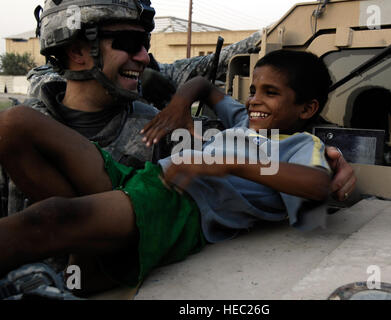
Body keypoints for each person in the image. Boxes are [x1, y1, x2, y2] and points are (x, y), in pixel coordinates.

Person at [0, 50, 332, 293]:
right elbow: (202, 83)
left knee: (51, 217)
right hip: (148, 177)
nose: (253, 102)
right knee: (15, 123)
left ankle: (84, 254)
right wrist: (178, 106)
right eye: (254, 91)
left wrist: (229, 163)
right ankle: (88, 255)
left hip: (181, 206)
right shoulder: (245, 121)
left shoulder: (300, 144)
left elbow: (318, 185)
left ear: (307, 108)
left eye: (270, 93)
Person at [0, 1, 354, 220]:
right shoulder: (20, 130)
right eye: (129, 44)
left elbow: (247, 150)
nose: (144, 57)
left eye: (146, 44)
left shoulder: (163, 127)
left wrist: (331, 155)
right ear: (78, 53)